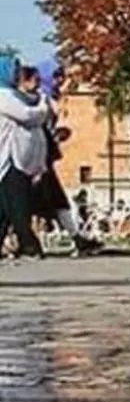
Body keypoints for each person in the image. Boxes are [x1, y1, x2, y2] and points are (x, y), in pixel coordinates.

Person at [28, 63, 102, 256]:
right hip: (34, 160)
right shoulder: (38, 100)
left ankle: (77, 238)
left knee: (57, 201)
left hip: (43, 160)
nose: (61, 81)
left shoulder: (46, 98)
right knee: (20, 203)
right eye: (58, 76)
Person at [0, 60, 51, 259]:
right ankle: (29, 245)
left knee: (5, 206)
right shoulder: (3, 96)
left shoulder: (11, 96)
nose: (16, 75)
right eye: (13, 71)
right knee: (17, 203)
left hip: (15, 156)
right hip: (9, 156)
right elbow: (28, 116)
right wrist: (43, 107)